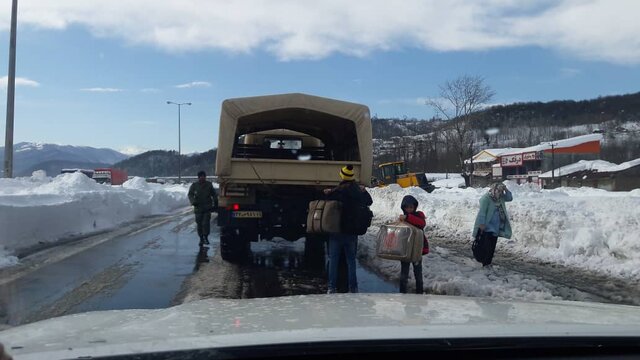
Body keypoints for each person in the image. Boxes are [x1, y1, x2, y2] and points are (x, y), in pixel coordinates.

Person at [323, 165, 372, 294]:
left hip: (337, 232)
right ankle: (353, 287)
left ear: (342, 176)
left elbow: (327, 200)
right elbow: (369, 201)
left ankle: (331, 287)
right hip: (352, 233)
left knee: (333, 260)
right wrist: (364, 191)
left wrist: (328, 192)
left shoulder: (338, 192)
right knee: (351, 261)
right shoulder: (358, 191)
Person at [472, 182, 513, 266]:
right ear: (494, 190)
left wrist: (506, 189)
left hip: (496, 226)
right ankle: (484, 261)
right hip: (486, 226)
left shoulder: (500, 198)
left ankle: (488, 262)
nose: (500, 193)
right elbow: (482, 213)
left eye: (501, 191)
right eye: (498, 191)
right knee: (486, 246)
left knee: (492, 246)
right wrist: (482, 224)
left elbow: (509, 198)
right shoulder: (486, 198)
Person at [397, 195, 428, 294]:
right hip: (405, 250)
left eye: (411, 207)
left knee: (418, 273)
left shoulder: (419, 215)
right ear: (403, 207)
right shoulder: (402, 218)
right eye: (407, 207)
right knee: (404, 274)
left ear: (415, 207)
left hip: (416, 250)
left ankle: (420, 293)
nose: (409, 209)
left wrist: (408, 217)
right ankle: (402, 293)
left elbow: (421, 223)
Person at [188, 170, 217, 247]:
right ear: (198, 177)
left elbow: (214, 195)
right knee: (199, 224)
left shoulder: (209, 185)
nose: (202, 178)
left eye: (203, 176)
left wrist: (215, 204)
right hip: (198, 208)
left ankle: (206, 237)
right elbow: (190, 194)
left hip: (207, 208)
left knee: (205, 223)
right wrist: (193, 201)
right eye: (201, 176)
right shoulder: (194, 185)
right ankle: (201, 238)